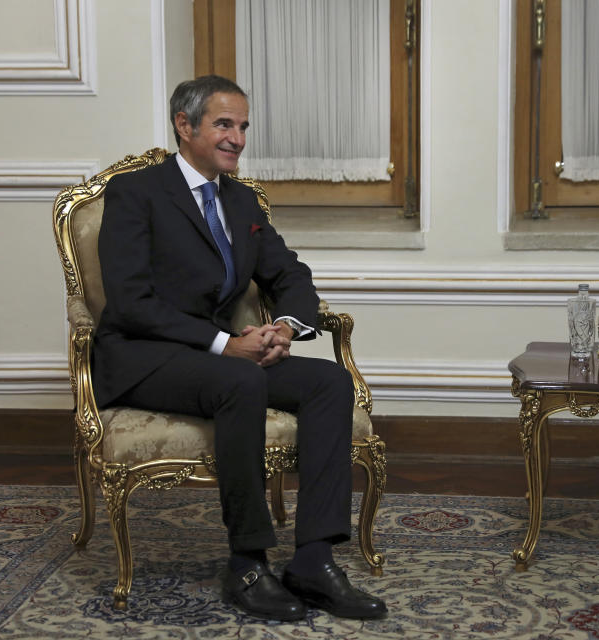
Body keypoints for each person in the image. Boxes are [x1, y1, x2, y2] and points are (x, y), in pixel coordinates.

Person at [93, 75, 387, 622]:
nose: (238, 138)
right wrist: (226, 342)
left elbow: (289, 273)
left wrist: (285, 329)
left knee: (329, 381)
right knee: (241, 379)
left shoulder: (243, 199)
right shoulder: (135, 194)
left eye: (243, 126)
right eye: (224, 124)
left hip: (219, 358)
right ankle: (248, 563)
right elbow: (131, 302)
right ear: (185, 126)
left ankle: (314, 560)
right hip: (144, 355)